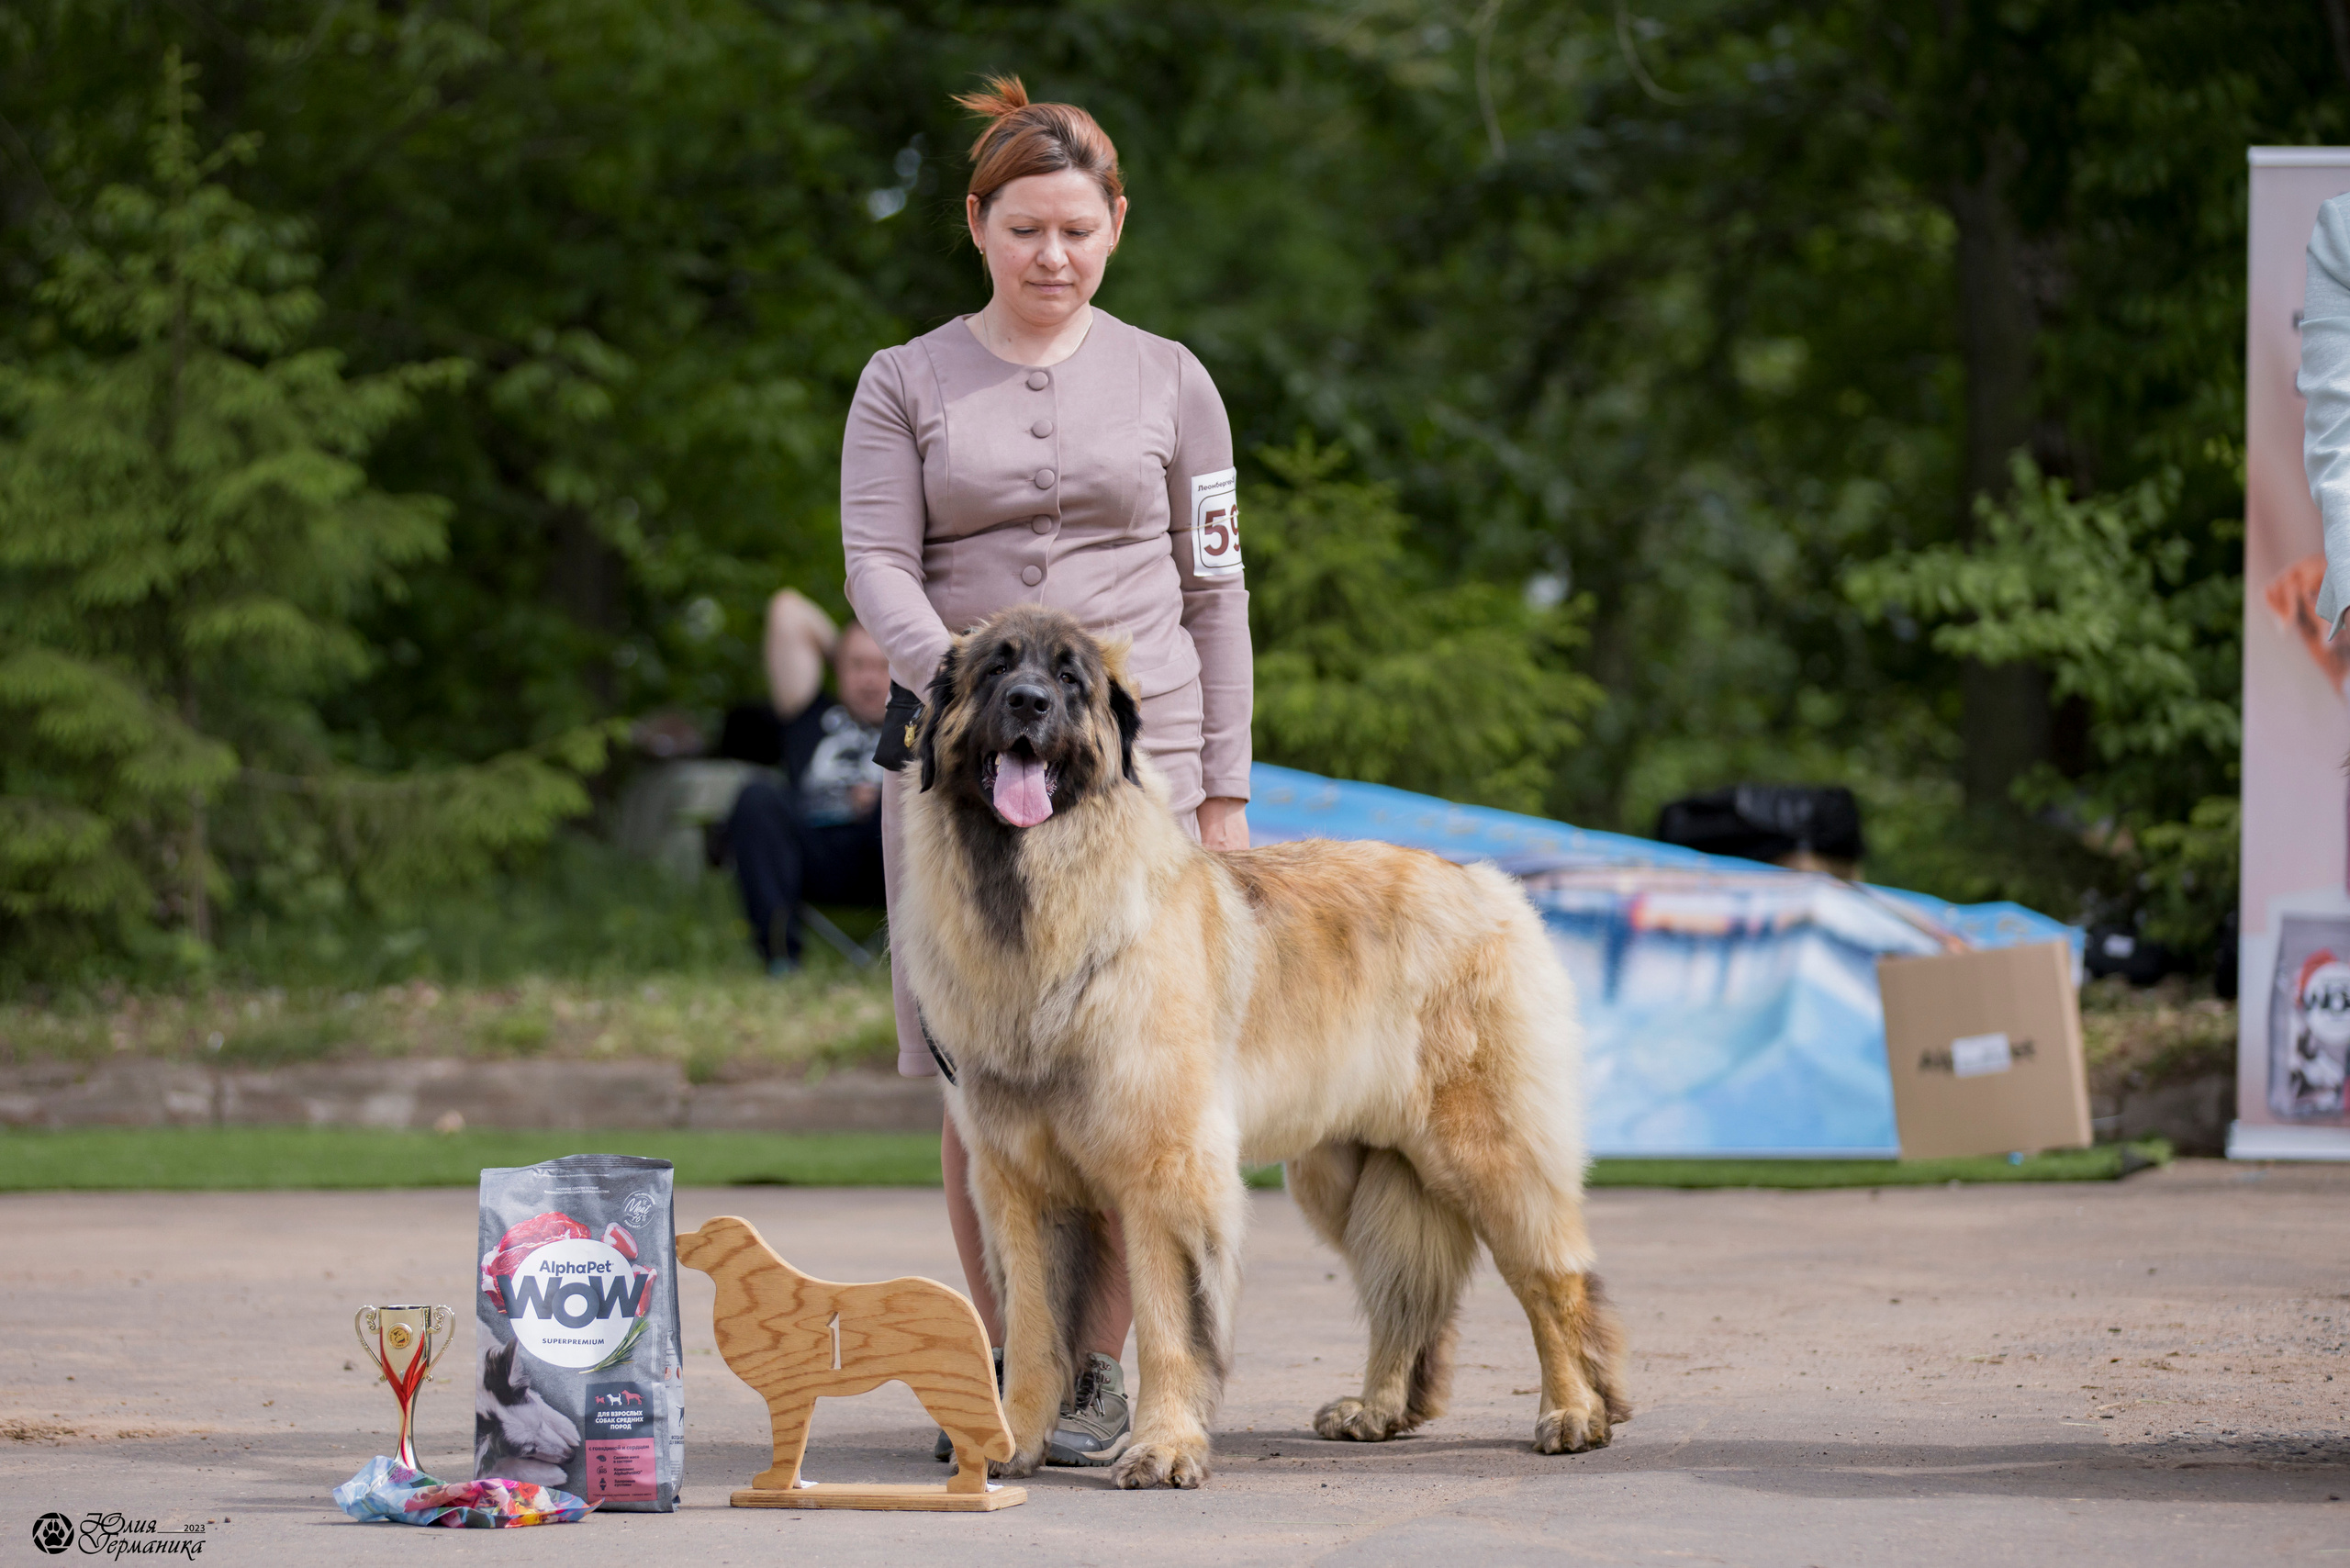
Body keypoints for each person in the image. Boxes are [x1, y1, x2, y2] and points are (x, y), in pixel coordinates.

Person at [839, 76, 1251, 1465]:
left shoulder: (1177, 381)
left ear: (1117, 226)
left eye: (1078, 228)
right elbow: (877, 564)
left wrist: (1224, 789)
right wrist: (954, 675)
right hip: (962, 764)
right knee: (982, 1086)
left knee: (1139, 1087)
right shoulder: (902, 382)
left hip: (1138, 770)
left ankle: (1100, 1377)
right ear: (977, 226)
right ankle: (1018, 1361)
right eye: (1026, 228)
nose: (1053, 256)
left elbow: (1218, 589)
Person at [717, 589, 890, 974]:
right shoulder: (810, 713)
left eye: (882, 666)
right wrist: (848, 646)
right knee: (756, 796)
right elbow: (787, 609)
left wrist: (882, 797)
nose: (869, 679)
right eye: (858, 666)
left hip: (885, 856)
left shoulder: (920, 718)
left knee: (906, 792)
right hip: (808, 852)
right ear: (838, 668)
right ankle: (780, 959)